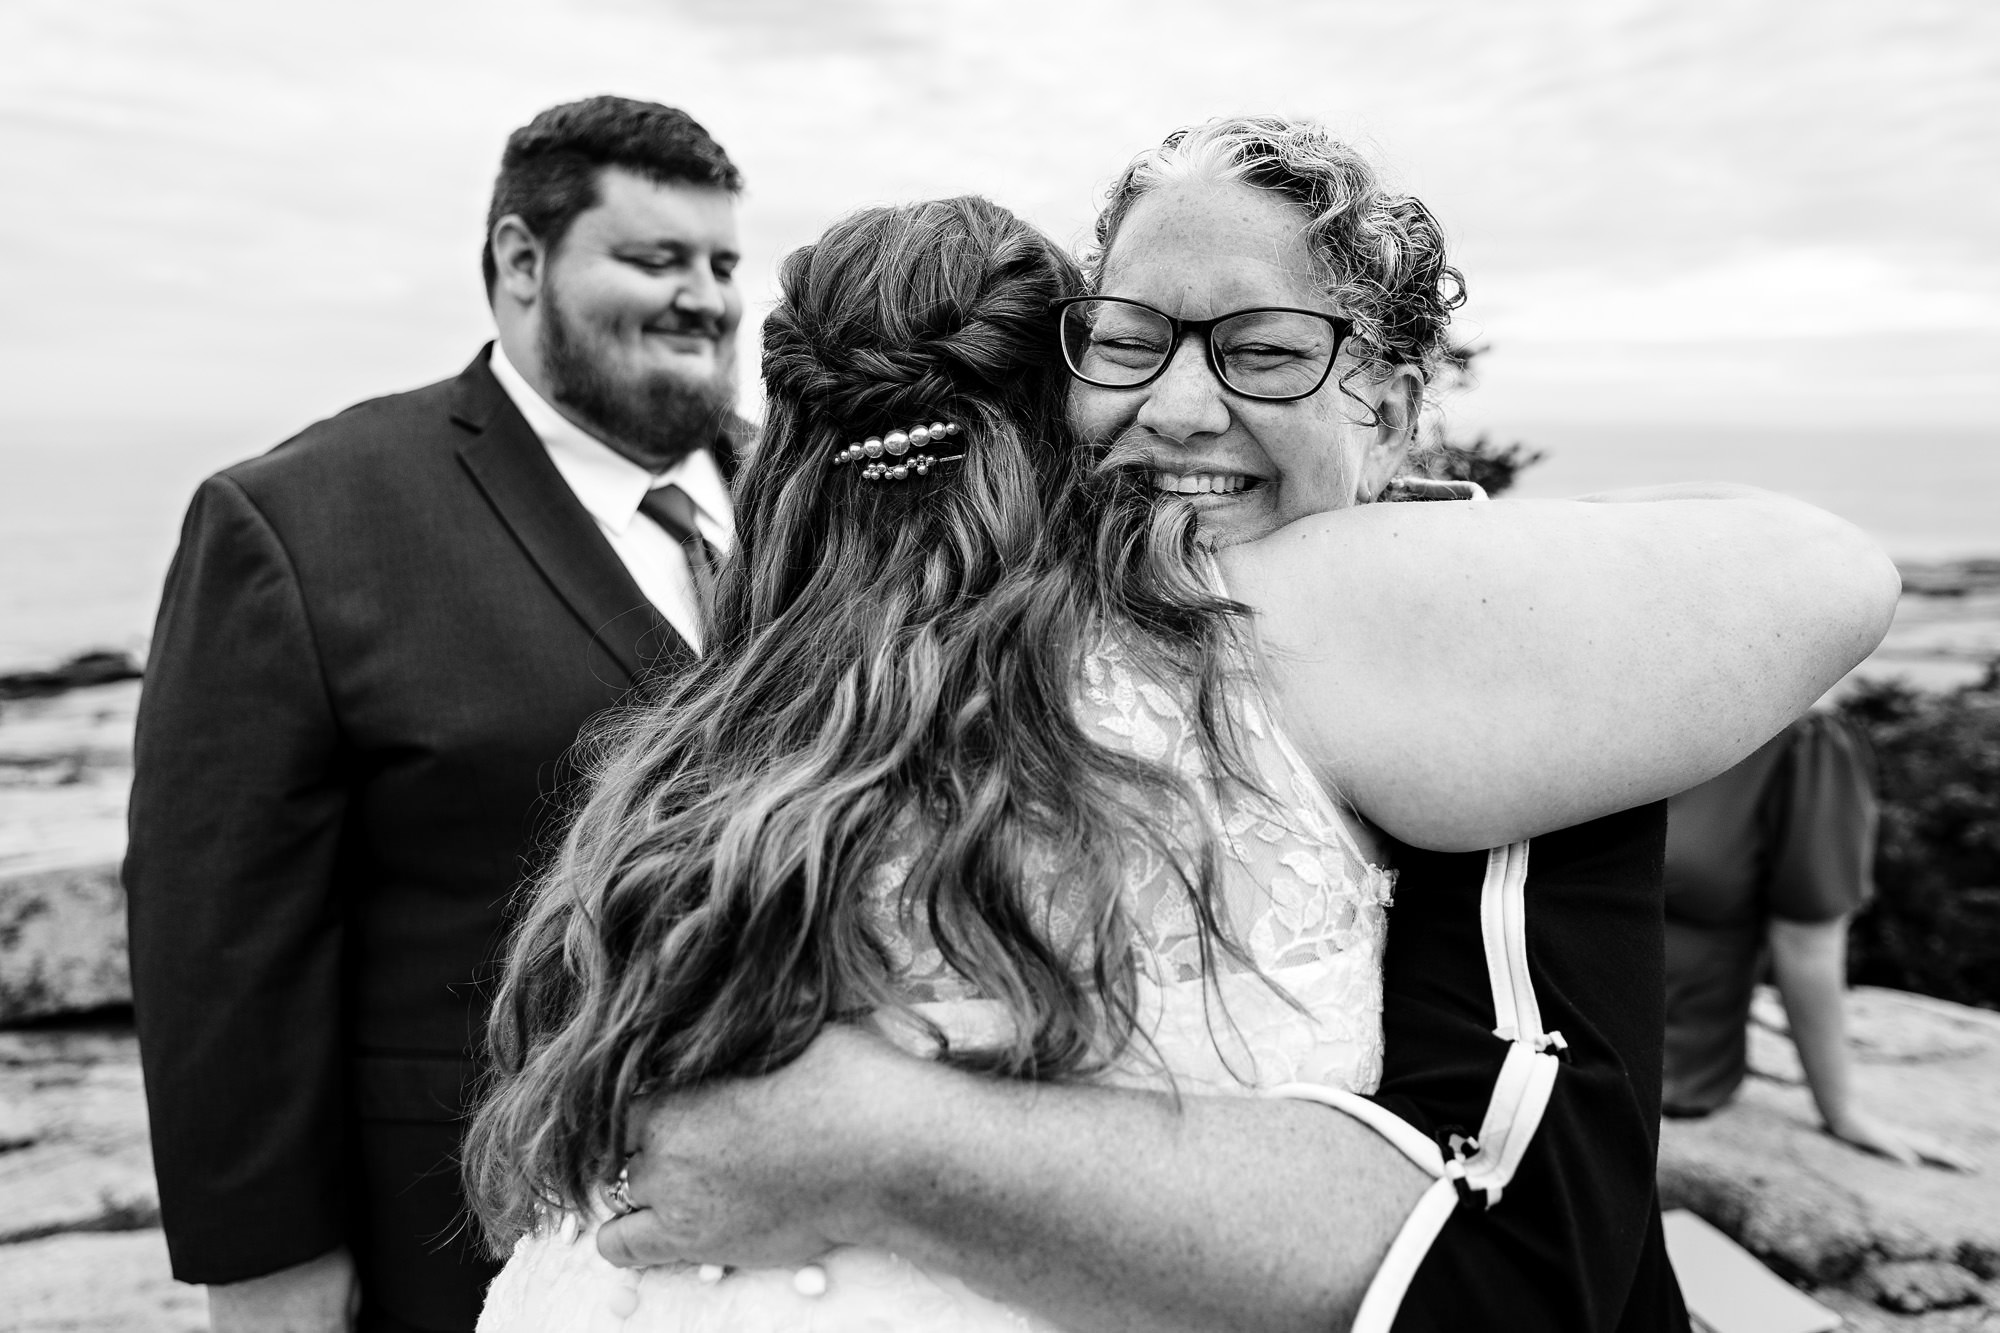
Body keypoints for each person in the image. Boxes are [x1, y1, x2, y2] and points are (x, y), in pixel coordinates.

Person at [468, 156, 1895, 1333]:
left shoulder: (750, 696)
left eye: (1266, 351)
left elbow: (1542, 1236)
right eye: (1127, 341)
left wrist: (876, 1140)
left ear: (1391, 409)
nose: (1177, 407)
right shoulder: (986, 663)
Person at [124, 96, 748, 1333]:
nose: (707, 299)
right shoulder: (303, 519)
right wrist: (263, 1265)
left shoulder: (803, 494)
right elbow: (220, 933)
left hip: (781, 1234)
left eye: (723, 264)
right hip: (457, 1234)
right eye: (655, 258)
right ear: (521, 262)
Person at [1663, 710, 1971, 1170]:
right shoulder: (1594, 692)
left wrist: (1839, 1109)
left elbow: (1808, 942)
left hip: (1649, 1057)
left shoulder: (1803, 739)